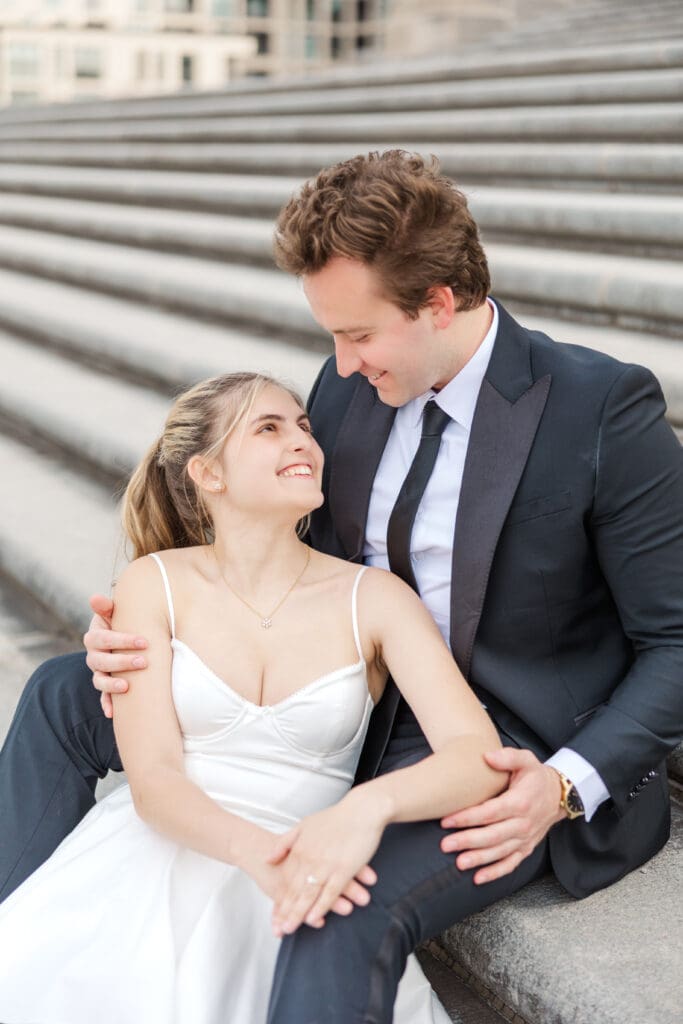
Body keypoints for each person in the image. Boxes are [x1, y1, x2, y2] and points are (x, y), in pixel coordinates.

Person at [1, 149, 682, 1022]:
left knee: (333, 912)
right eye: (330, 335)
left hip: (503, 750)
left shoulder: (599, 408)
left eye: (358, 334)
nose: (341, 364)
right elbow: (285, 549)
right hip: (344, 689)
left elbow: (674, 643)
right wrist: (146, 630)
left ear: (439, 302)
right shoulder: (353, 384)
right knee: (67, 690)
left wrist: (558, 787)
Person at [0, 371, 505, 1023]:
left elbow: (473, 753)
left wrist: (367, 810)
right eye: (268, 428)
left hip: (313, 859)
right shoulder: (154, 582)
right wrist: (260, 861)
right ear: (208, 474)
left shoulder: (374, 598)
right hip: (165, 847)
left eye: (303, 426)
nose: (301, 442)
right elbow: (153, 780)